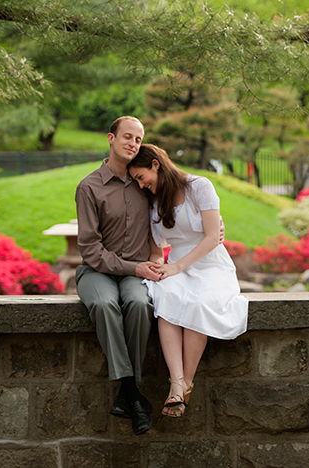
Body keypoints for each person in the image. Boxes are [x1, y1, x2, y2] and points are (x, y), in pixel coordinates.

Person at [75, 117, 226, 433]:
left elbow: (182, 217)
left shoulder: (148, 187)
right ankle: (130, 391)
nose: (132, 143)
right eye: (126, 137)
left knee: (141, 304)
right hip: (98, 270)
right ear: (111, 138)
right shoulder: (89, 187)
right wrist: (138, 267)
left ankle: (128, 395)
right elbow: (90, 249)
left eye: (138, 139)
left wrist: (216, 231)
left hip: (136, 272)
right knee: (104, 306)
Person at [127, 144, 248, 418]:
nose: (141, 185)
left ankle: (186, 383)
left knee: (200, 302)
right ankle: (177, 385)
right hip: (177, 266)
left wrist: (176, 267)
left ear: (155, 164)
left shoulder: (199, 187)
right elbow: (157, 251)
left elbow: (211, 237)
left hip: (210, 264)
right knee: (167, 294)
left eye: (141, 177)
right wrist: (159, 267)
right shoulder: (154, 200)